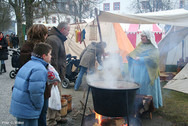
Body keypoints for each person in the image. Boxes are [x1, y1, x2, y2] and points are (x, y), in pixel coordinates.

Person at [9, 42, 52, 126]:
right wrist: (39, 106)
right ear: (44, 56)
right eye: (50, 54)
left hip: (21, 106)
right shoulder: (39, 69)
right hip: (28, 109)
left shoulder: (29, 64)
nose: (51, 57)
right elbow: (36, 92)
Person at [19, 24, 49, 126]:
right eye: (45, 34)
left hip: (42, 87)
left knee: (42, 115)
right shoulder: (28, 48)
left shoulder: (41, 47)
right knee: (36, 117)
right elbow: (32, 68)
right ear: (42, 35)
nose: (47, 36)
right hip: (33, 89)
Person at [126, 30, 163, 109]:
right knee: (138, 85)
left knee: (146, 86)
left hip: (147, 71)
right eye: (141, 36)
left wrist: (142, 59)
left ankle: (149, 106)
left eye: (143, 36)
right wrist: (129, 56)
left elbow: (154, 59)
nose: (141, 38)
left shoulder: (153, 47)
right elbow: (135, 52)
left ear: (148, 37)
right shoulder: (140, 45)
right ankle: (138, 104)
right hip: (138, 71)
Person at [46, 22, 70, 126]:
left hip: (58, 74)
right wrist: (54, 78)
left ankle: (57, 117)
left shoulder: (58, 38)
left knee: (57, 96)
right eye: (68, 30)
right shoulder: (53, 39)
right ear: (62, 29)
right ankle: (51, 121)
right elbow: (52, 60)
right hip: (54, 75)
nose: (69, 32)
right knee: (53, 97)